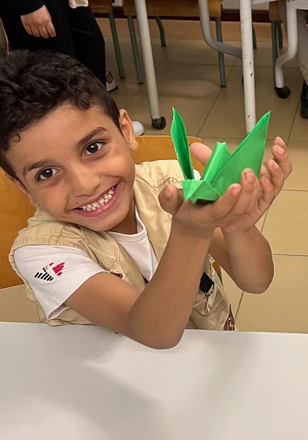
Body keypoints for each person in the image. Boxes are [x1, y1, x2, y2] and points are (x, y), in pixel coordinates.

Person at [2, 51, 292, 348]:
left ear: (126, 131)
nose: (85, 185)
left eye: (93, 148)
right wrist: (191, 231)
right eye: (47, 173)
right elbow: (153, 332)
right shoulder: (40, 252)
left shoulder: (175, 183)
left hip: (207, 360)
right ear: (23, 187)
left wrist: (237, 226)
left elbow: (256, 281)